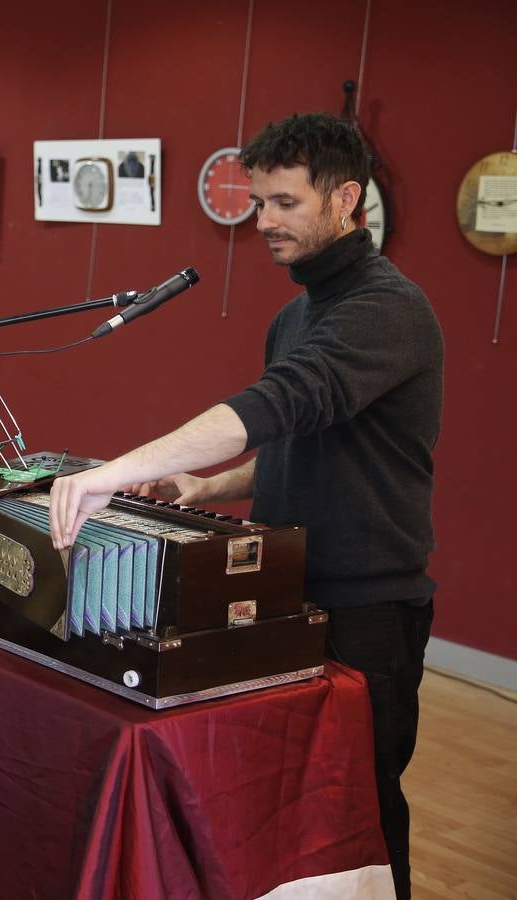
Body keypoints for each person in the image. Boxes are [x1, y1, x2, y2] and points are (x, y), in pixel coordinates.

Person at [47, 112, 442, 899]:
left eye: (285, 203)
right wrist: (208, 486)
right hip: (283, 585)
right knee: (288, 803)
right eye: (259, 202)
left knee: (362, 808)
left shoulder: (389, 308)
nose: (262, 221)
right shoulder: (294, 317)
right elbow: (299, 441)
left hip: (368, 608)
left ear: (345, 201)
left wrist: (114, 471)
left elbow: (276, 404)